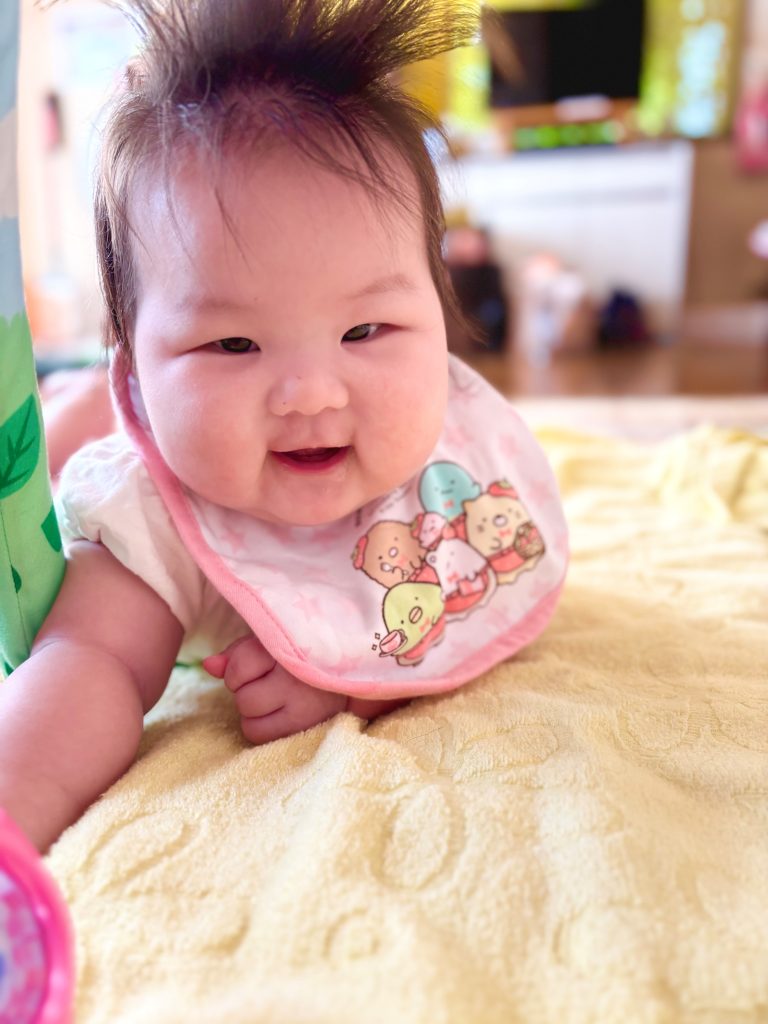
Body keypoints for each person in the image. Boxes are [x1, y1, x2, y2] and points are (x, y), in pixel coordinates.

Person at [0, 0, 568, 852]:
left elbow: (475, 589)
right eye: (233, 344)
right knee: (78, 514)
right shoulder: (153, 517)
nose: (310, 395)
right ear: (138, 366)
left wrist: (353, 682)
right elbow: (89, 664)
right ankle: (80, 402)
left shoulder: (450, 469)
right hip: (153, 472)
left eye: (365, 331)